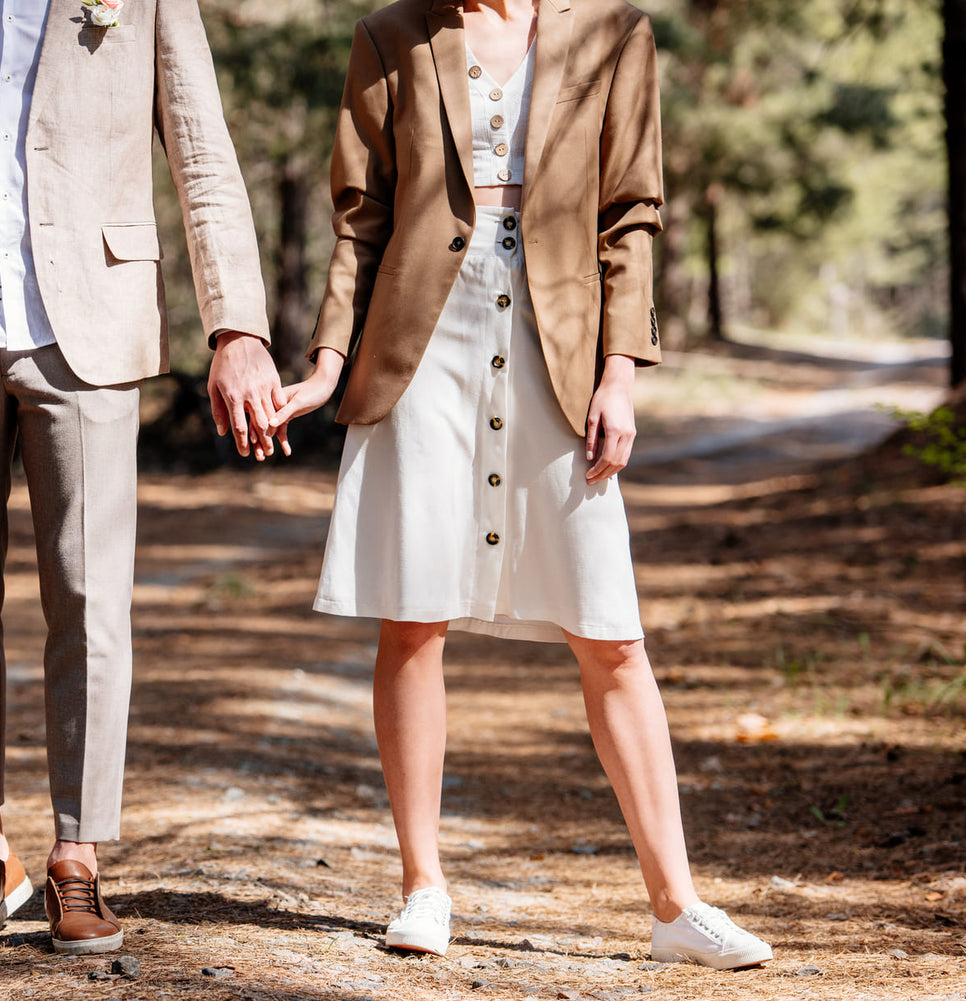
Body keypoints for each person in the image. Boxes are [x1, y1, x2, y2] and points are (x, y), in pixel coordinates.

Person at [272, 0, 773, 970]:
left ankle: (676, 903)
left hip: (560, 346)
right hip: (421, 345)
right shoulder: (393, 34)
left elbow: (631, 211)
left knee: (610, 629)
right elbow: (361, 215)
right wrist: (330, 358)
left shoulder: (616, 34)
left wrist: (620, 370)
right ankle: (423, 883)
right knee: (414, 614)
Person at [0, 0, 281, 954]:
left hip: (93, 327)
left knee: (90, 603)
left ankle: (78, 857)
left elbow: (201, 152)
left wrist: (237, 326)